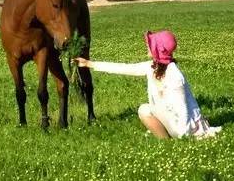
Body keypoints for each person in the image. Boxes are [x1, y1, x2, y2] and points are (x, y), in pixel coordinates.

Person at [75, 30, 221, 139]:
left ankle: (175, 139)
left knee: (153, 113)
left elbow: (183, 111)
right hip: (170, 120)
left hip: (180, 127)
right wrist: (89, 64)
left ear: (158, 50)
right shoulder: (151, 67)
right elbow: (124, 68)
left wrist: (187, 135)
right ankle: (166, 141)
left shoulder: (175, 76)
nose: (147, 46)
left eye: (151, 45)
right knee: (144, 109)